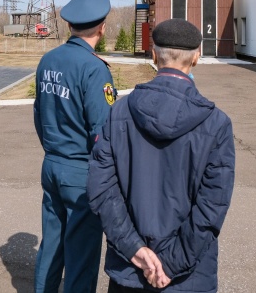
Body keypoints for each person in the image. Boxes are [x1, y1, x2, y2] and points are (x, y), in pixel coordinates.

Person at [88, 18, 235, 292]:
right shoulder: (216, 124)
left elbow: (102, 189)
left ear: (153, 55)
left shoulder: (118, 113)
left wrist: (137, 251)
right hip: (188, 279)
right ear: (197, 58)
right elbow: (212, 206)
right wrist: (170, 263)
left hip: (130, 271)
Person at [33, 0, 116, 293]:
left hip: (52, 164)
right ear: (102, 27)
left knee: (51, 246)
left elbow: (39, 115)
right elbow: (103, 132)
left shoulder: (49, 60)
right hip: (81, 172)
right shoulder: (94, 68)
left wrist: (54, 151)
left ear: (69, 25)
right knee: (81, 256)